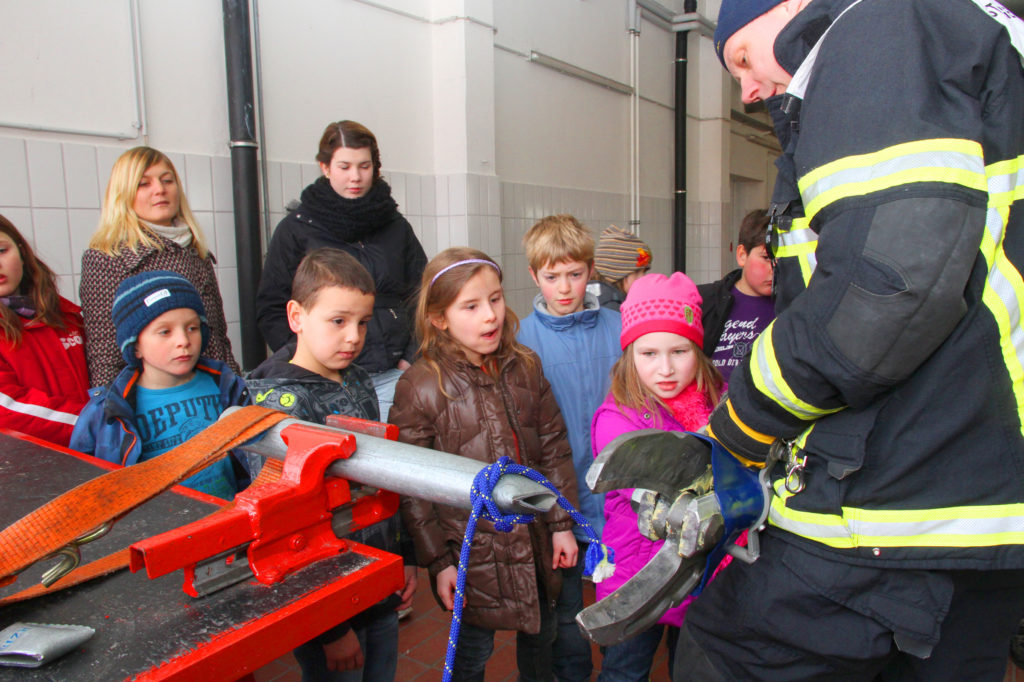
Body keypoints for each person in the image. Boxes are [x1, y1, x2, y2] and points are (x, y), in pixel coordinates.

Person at [672, 1, 1024, 680]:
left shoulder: (883, 28)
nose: (747, 91)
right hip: (973, 494)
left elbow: (889, 288)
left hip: (894, 500)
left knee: (724, 658)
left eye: (742, 58)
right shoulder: (967, 38)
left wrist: (741, 426)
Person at [389, 247, 580, 681]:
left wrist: (560, 524)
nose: (491, 315)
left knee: (543, 639)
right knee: (471, 655)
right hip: (471, 553)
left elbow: (553, 448)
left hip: (534, 538)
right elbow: (414, 490)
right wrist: (439, 562)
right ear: (439, 318)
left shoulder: (525, 366)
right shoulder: (421, 386)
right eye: (471, 306)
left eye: (495, 299)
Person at [247, 247, 416, 681]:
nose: (354, 337)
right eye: (338, 321)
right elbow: (285, 523)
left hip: (375, 575)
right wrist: (330, 627)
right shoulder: (277, 403)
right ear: (296, 316)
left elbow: (381, 477)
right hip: (327, 598)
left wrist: (403, 560)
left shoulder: (357, 378)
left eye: (363, 322)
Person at [591, 272, 723, 682]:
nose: (665, 368)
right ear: (630, 354)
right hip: (636, 577)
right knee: (625, 669)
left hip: (702, 572)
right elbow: (655, 484)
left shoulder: (717, 401)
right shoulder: (617, 419)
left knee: (695, 667)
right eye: (649, 353)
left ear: (696, 350)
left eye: (679, 351)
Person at [256, 120, 427, 420]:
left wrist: (411, 358)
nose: (355, 177)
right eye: (345, 166)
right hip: (322, 381)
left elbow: (423, 294)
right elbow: (272, 307)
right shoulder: (296, 229)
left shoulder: (396, 226)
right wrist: (310, 362)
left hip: (394, 373)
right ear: (325, 167)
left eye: (364, 166)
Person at [516, 214, 622, 681]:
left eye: (575, 274)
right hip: (560, 500)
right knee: (567, 611)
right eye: (552, 276)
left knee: (621, 604)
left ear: (591, 270)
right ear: (534, 275)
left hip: (620, 496)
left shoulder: (620, 327)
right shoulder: (520, 340)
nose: (564, 288)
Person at [70, 271, 249, 500]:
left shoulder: (228, 387)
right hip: (158, 521)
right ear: (135, 346)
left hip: (228, 515)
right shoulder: (108, 412)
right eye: (165, 332)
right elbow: (84, 482)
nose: (183, 341)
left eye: (192, 328)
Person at [80, 146, 239, 388]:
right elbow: (105, 356)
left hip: (217, 390)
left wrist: (237, 387)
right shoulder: (107, 258)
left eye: (167, 180)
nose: (160, 190)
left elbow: (219, 338)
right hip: (158, 399)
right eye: (144, 184)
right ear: (123, 194)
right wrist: (112, 406)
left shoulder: (196, 251)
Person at [0, 214, 89, 446]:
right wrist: (90, 424)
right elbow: (6, 409)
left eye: (1, 251)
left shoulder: (65, 313)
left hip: (96, 451)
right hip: (35, 460)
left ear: (21, 251)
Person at [697, 209, 774, 381]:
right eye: (766, 258)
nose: (773, 268)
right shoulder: (703, 300)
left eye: (781, 260)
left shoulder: (794, 305)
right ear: (742, 255)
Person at [587, 225, 652, 311]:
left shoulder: (595, 299)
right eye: (637, 272)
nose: (643, 278)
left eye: (644, 272)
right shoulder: (613, 309)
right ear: (616, 273)